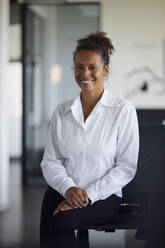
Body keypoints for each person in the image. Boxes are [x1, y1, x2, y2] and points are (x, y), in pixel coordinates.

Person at [40, 31, 139, 248]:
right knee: (49, 214)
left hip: (104, 196)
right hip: (66, 189)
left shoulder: (123, 110)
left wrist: (87, 196)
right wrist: (69, 190)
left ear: (105, 70)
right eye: (79, 66)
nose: (85, 73)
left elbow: (126, 167)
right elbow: (50, 161)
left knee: (61, 222)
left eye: (92, 67)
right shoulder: (61, 112)